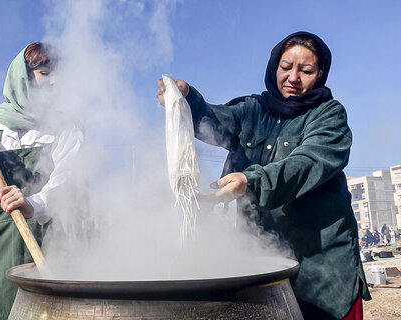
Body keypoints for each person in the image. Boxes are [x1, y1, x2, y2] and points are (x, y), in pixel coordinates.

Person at [157, 31, 370, 319]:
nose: (293, 77)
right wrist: (186, 99)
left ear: (320, 75)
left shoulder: (329, 116)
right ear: (274, 67)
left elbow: (307, 162)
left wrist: (252, 181)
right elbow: (215, 120)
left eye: (305, 70)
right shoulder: (252, 110)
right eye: (286, 67)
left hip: (321, 272)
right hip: (260, 265)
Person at [0, 43, 85, 320]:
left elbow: (69, 180)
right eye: (45, 72)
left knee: (45, 313)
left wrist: (33, 203)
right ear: (22, 76)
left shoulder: (66, 127)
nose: (55, 81)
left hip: (44, 241)